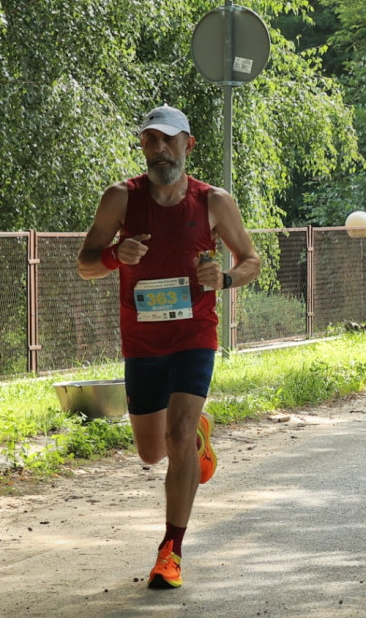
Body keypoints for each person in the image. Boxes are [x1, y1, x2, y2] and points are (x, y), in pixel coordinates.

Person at [77, 104, 261, 589]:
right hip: (142, 341)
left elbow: (251, 260)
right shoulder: (120, 198)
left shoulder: (213, 201)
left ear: (188, 145)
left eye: (169, 140)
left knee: (175, 439)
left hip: (194, 335)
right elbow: (85, 263)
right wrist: (116, 255)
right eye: (150, 141)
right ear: (142, 146)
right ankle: (197, 432)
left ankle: (170, 553)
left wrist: (222, 278)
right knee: (150, 453)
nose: (160, 150)